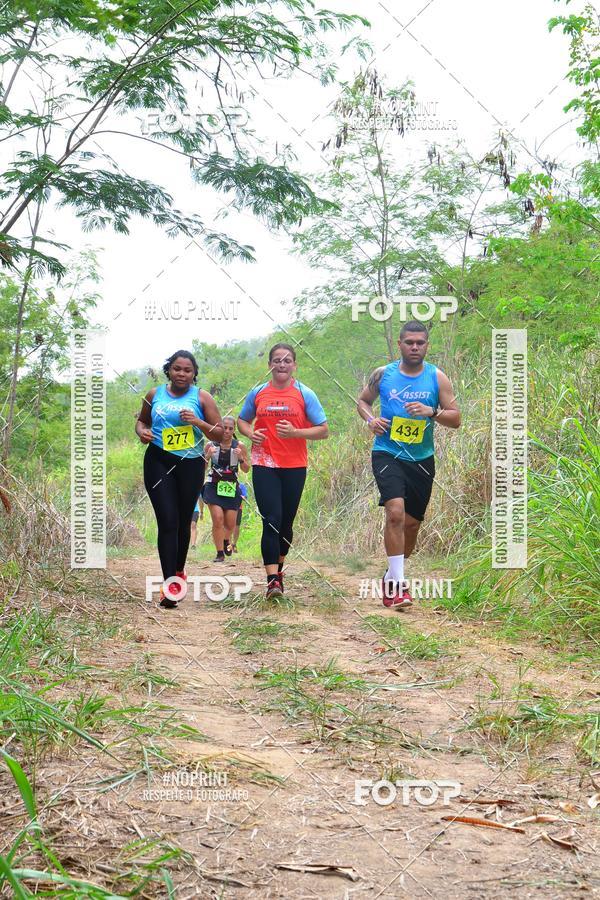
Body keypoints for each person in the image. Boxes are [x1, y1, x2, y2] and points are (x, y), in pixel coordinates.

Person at [357, 321, 461, 610]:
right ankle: (400, 587)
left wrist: (432, 411)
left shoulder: (437, 377)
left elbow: (456, 419)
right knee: (395, 514)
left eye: (420, 343)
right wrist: (370, 420)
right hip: (387, 453)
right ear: (400, 345)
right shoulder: (383, 374)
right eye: (409, 342)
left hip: (421, 459)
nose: (415, 347)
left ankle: (390, 576)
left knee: (412, 526)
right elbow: (363, 401)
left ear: (427, 346)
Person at [238, 343, 328, 599]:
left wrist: (296, 432)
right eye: (277, 360)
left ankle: (279, 571)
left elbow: (323, 430)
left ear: (294, 366)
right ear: (269, 365)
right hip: (264, 463)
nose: (281, 364)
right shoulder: (258, 393)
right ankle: (272, 581)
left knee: (286, 524)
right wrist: (250, 433)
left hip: (294, 466)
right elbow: (243, 420)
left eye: (287, 360)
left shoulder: (304, 394)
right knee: (271, 519)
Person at [136, 350, 223, 608]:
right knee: (167, 520)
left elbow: (219, 434)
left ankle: (179, 570)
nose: (181, 374)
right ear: (169, 370)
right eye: (177, 369)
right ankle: (170, 584)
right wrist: (142, 433)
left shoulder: (202, 397)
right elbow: (141, 422)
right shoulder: (154, 394)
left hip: (190, 464)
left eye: (187, 370)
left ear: (194, 373)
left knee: (184, 521)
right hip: (158, 460)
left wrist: (197, 422)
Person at [203, 416, 250, 562]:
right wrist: (207, 456)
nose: (227, 431)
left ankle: (225, 540)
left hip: (231, 486)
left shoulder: (239, 446)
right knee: (218, 519)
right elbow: (201, 468)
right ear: (219, 428)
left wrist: (241, 458)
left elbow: (246, 469)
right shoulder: (211, 444)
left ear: (234, 430)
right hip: (213, 485)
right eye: (224, 428)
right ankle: (219, 553)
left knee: (230, 524)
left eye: (230, 428)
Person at [229, 481, 248, 553]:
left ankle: (234, 544)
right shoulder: (226, 483)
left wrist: (243, 497)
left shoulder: (241, 485)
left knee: (236, 526)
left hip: (238, 508)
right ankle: (228, 544)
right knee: (228, 526)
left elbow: (245, 496)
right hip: (227, 507)